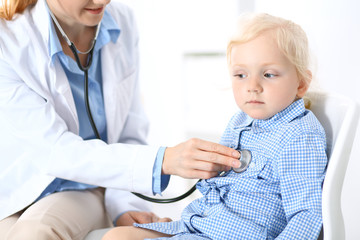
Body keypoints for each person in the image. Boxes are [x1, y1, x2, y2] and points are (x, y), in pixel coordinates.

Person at [0, 0, 242, 239]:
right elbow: (53, 151)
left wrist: (124, 205)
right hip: (19, 186)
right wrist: (163, 161)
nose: (103, 1)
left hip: (87, 185)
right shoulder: (8, 39)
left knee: (34, 233)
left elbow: (129, 131)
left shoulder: (120, 20)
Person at [101, 12, 328, 240]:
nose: (252, 86)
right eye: (241, 75)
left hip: (231, 235)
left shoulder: (299, 135)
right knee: (117, 236)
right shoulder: (241, 121)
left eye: (268, 74)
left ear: (301, 83)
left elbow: (307, 215)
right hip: (204, 223)